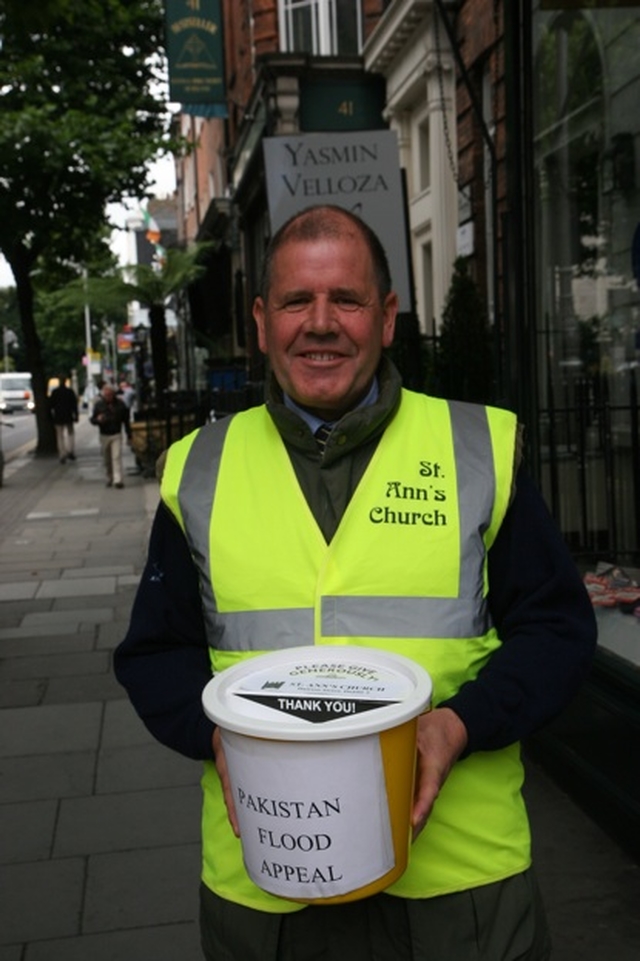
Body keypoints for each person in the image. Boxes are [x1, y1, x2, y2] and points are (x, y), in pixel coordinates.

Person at [114, 205, 597, 961]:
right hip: (269, 891)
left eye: (346, 298)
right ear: (262, 319)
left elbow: (557, 632)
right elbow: (155, 654)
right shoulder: (198, 470)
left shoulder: (478, 450)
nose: (321, 322)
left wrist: (458, 723)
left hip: (460, 893)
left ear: (388, 316)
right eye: (297, 301)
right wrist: (222, 738)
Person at [90, 383, 131, 488]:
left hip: (116, 433)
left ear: (113, 394)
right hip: (104, 434)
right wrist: (98, 420)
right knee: (107, 458)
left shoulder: (120, 404)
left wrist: (129, 435)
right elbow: (92, 419)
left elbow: (126, 421)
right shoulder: (99, 405)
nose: (108, 397)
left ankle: (118, 480)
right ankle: (110, 477)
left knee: (116, 457)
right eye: (106, 395)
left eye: (110, 395)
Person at [49, 375, 78, 464]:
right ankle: (71, 450)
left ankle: (62, 454)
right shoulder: (70, 392)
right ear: (66, 382)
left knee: (59, 436)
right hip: (68, 415)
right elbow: (74, 404)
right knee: (71, 433)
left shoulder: (55, 392)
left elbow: (51, 405)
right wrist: (76, 415)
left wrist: (51, 416)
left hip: (58, 416)